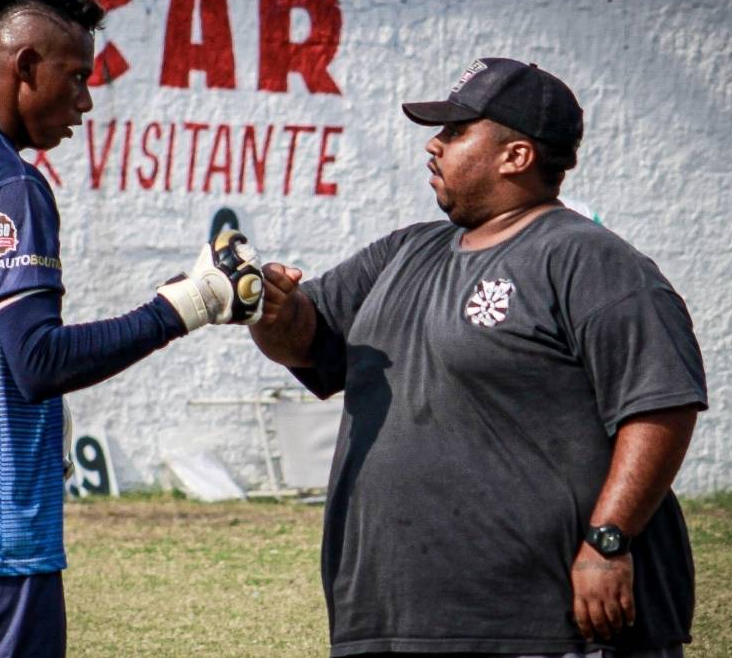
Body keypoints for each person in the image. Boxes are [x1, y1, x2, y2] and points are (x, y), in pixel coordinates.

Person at [0, 0, 262, 655]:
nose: (86, 102)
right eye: (78, 76)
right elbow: (38, 361)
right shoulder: (9, 184)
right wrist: (189, 304)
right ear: (27, 66)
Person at [249, 58, 707, 657]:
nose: (433, 146)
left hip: (544, 625)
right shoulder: (403, 253)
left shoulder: (589, 261)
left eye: (456, 132)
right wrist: (272, 309)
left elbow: (661, 405)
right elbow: (307, 341)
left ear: (515, 156)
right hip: (393, 619)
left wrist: (608, 542)